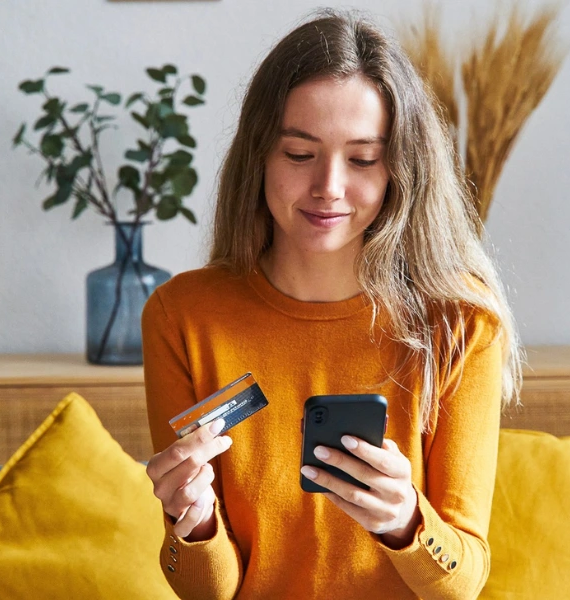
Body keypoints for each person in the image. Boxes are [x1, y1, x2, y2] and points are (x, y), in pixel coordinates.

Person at [141, 9, 523, 600]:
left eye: (363, 159)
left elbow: (463, 582)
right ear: (258, 158)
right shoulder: (183, 317)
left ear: (401, 169)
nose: (330, 186)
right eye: (299, 154)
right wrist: (194, 522)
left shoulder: (461, 324)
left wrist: (405, 523)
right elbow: (206, 592)